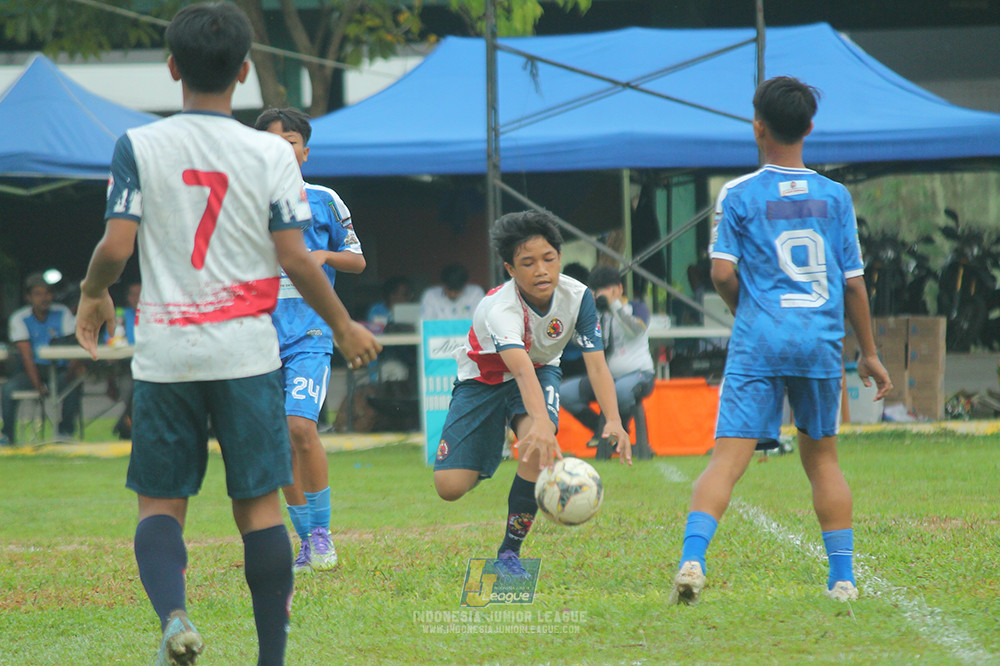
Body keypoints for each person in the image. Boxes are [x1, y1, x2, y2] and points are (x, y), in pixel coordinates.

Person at [74, 4, 380, 665]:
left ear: (172, 68)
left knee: (161, 501)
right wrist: (343, 324)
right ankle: (270, 656)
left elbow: (116, 245)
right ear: (244, 72)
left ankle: (175, 616)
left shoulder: (138, 146)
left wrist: (92, 292)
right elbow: (298, 258)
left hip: (165, 353)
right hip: (246, 349)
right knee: (259, 509)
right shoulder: (270, 152)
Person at [668, 76, 891, 606]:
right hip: (818, 341)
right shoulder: (836, 197)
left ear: (757, 127)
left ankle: (693, 559)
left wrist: (749, 313)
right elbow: (854, 282)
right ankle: (842, 579)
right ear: (810, 127)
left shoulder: (739, 194)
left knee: (726, 461)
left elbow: (722, 274)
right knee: (823, 461)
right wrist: (871, 353)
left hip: (759, 339)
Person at [433, 210, 631, 580]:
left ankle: (509, 553)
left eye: (548, 258)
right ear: (510, 269)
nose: (541, 270)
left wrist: (615, 420)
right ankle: (488, 451)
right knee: (449, 488)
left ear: (559, 257)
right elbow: (517, 368)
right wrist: (540, 421)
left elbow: (596, 365)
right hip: (483, 381)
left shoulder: (579, 297)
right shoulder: (500, 308)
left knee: (537, 447)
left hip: (541, 373)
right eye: (528, 262)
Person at [253, 106, 366, 574]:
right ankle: (305, 541)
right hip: (255, 331)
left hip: (310, 330)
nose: (281, 151)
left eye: (289, 143)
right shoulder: (242, 201)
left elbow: (357, 261)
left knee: (301, 427)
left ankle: (321, 533)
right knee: (277, 440)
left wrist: (322, 256)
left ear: (304, 151)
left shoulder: (324, 199)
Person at [560, 266, 654, 448]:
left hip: (639, 374)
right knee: (564, 394)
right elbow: (580, 340)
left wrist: (614, 305)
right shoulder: (596, 314)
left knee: (619, 392)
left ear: (619, 289)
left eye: (607, 292)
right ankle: (601, 430)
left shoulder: (636, 308)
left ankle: (620, 429)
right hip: (607, 378)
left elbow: (636, 330)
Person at [1, 272, 83, 444]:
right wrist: (38, 385)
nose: (45, 298)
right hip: (32, 371)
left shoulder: (63, 313)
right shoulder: (19, 318)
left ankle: (65, 432)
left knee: (73, 384)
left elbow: (75, 345)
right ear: (28, 297)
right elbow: (26, 356)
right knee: (8, 389)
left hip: (60, 370)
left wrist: (70, 372)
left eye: (48, 293)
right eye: (38, 294)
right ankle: (7, 436)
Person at [420, 263, 484, 320]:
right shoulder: (431, 295)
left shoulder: (475, 293)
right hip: (438, 333)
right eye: (449, 290)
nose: (452, 294)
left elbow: (478, 323)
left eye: (457, 291)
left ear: (465, 285)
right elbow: (425, 323)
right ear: (443, 285)